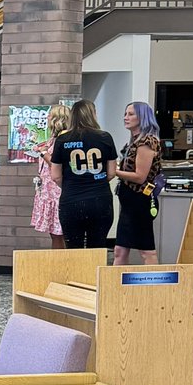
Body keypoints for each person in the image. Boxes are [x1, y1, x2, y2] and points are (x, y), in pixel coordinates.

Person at [50, 99, 118, 249]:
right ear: (93, 115)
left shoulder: (62, 139)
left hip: (71, 200)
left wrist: (71, 184)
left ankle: (76, 273)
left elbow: (55, 175)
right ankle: (96, 272)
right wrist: (95, 180)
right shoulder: (105, 137)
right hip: (100, 199)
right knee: (97, 246)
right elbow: (112, 172)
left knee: (74, 248)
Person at [113, 100, 163, 265]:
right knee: (120, 249)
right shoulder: (133, 142)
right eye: (125, 114)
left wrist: (114, 171)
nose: (126, 117)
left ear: (142, 117)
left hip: (140, 198)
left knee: (146, 249)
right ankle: (115, 286)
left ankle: (153, 287)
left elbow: (140, 176)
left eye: (131, 114)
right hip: (128, 198)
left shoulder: (146, 142)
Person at [30, 103, 71, 250]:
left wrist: (43, 153)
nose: (47, 118)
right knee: (54, 233)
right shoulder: (53, 138)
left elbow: (55, 163)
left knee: (59, 233)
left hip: (57, 191)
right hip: (48, 190)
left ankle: (61, 264)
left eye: (50, 115)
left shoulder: (64, 138)